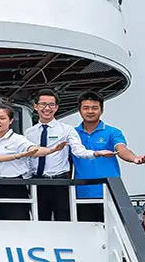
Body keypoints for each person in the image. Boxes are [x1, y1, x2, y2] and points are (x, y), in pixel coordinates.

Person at [24, 89, 115, 221]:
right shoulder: (29, 133)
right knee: (39, 221)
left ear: (56, 107)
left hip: (59, 182)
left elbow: (78, 150)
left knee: (64, 221)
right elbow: (27, 158)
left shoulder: (66, 130)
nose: (47, 108)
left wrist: (95, 153)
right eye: (43, 104)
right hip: (36, 182)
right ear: (36, 106)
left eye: (51, 105)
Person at [72, 91, 145, 222]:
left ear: (101, 110)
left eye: (94, 108)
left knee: (112, 231)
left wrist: (134, 158)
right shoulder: (72, 134)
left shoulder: (112, 132)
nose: (90, 111)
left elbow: (121, 149)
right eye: (86, 108)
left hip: (109, 192)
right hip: (81, 193)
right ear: (79, 110)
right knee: (86, 231)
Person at [0, 105, 66, 220]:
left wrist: (51, 150)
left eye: (2, 118)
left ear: (11, 120)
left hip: (14, 187)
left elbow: (33, 150)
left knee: (18, 223)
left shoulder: (18, 139)